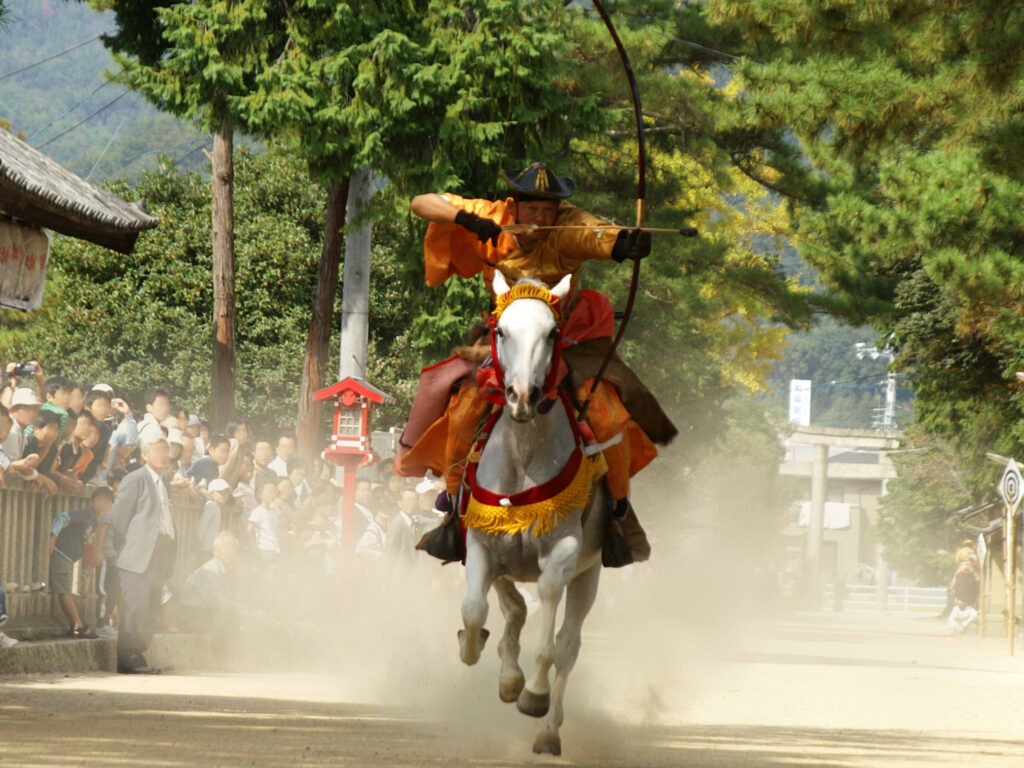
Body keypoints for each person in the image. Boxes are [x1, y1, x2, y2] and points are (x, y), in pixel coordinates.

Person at [402, 162, 674, 566]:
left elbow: (598, 234)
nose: (541, 219)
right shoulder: (492, 218)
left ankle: (617, 511)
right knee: (461, 403)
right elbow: (421, 203)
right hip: (504, 340)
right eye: (533, 210)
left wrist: (624, 244)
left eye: (549, 210)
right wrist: (466, 221)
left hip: (563, 338)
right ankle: (453, 502)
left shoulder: (568, 228)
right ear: (515, 206)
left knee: (608, 412)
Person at [107, 436, 177, 674]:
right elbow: (118, 518)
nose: (162, 455)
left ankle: (138, 653)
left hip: (160, 551)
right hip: (137, 553)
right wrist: (125, 549)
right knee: (134, 605)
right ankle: (127, 657)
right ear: (144, 455)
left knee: (151, 605)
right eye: (156, 450)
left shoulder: (163, 482)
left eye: (165, 451)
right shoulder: (135, 479)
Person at [49, 487, 115, 638]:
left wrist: (84, 578)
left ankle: (76, 625)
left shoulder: (96, 522)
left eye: (108, 502)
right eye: (101, 500)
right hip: (62, 553)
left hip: (70, 557)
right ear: (92, 502)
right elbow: (61, 517)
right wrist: (52, 539)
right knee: (64, 592)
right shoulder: (87, 514)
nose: (104, 504)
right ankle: (79, 626)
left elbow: (89, 552)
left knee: (66, 591)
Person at [178, 532, 244, 635]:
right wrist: (242, 611)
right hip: (192, 616)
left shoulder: (226, 569)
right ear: (215, 551)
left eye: (233, 548)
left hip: (205, 613)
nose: (230, 552)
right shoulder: (211, 569)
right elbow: (217, 602)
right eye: (226, 547)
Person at [197, 478, 232, 568]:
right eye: (220, 493)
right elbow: (203, 524)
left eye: (226, 493)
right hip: (206, 548)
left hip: (210, 548)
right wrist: (200, 540)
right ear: (212, 493)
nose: (224, 496)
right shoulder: (211, 506)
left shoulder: (216, 507)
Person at [248, 482, 286, 562]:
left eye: (275, 492)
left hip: (277, 548)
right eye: (269, 492)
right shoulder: (257, 511)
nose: (273, 494)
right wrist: (253, 547)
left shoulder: (275, 510)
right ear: (260, 495)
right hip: (265, 548)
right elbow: (249, 530)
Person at [384, 488, 419, 571]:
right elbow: (390, 554)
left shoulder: (414, 522)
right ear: (400, 503)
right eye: (409, 500)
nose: (412, 503)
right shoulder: (397, 524)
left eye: (414, 500)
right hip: (399, 577)